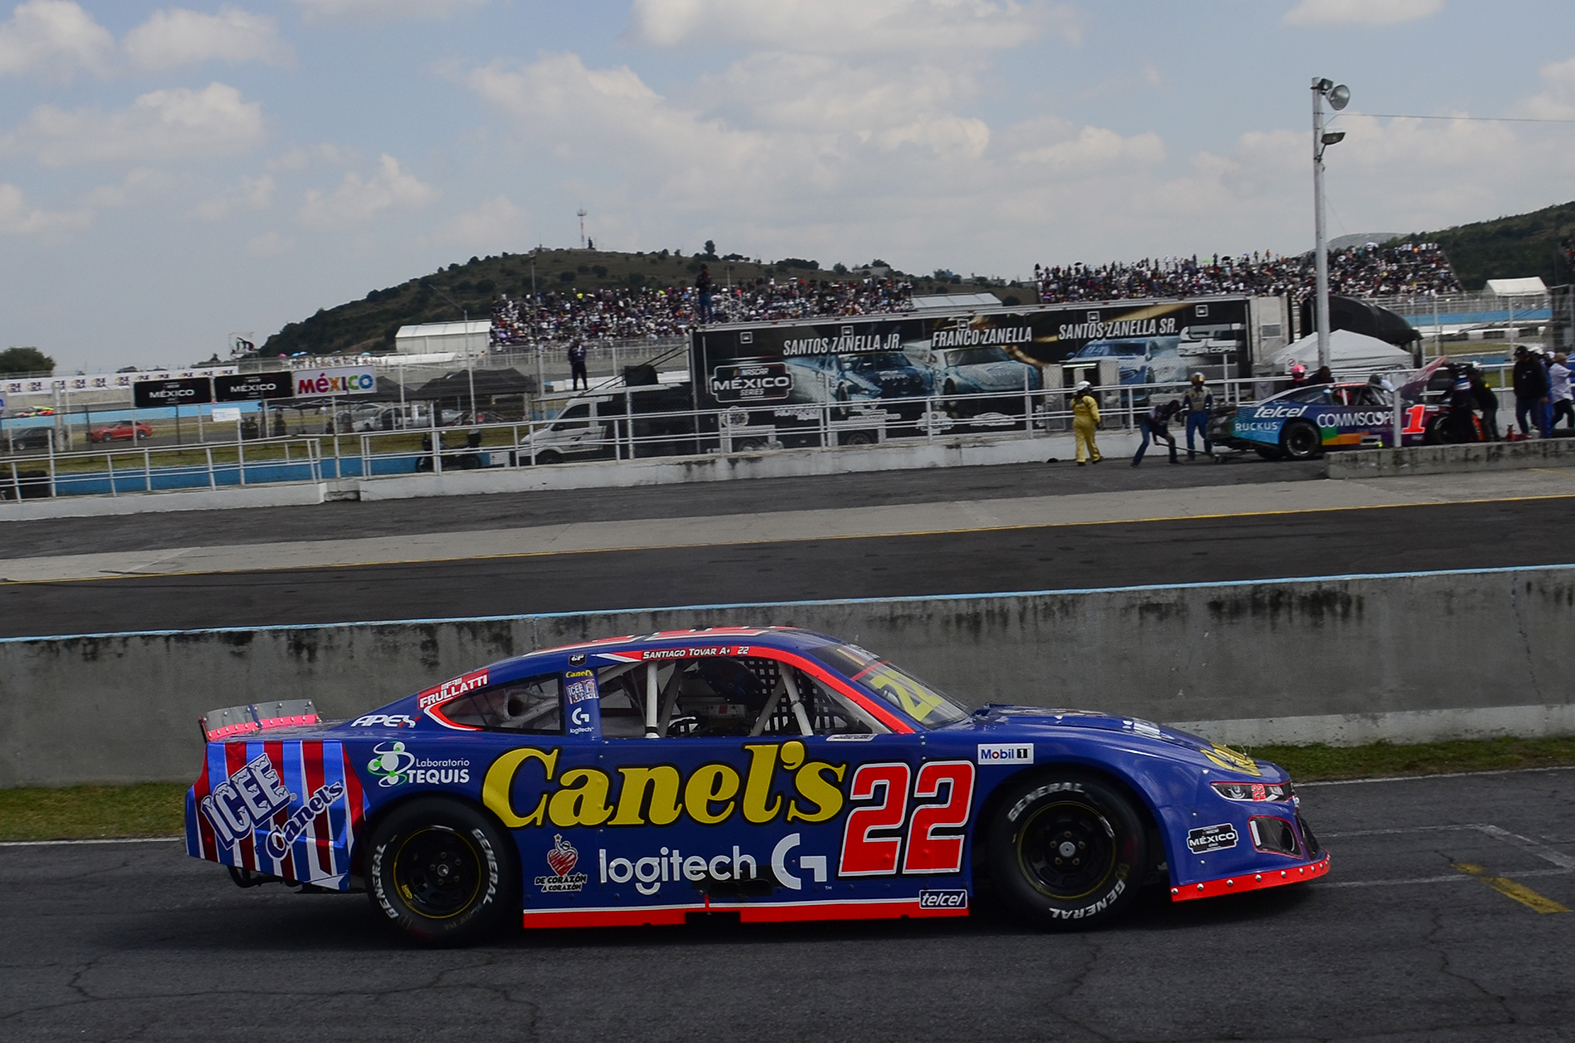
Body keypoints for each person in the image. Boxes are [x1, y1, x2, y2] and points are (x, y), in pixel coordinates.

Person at [1512, 345, 1549, 438]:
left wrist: (1543, 395)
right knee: (1520, 415)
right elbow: (1515, 379)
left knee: (1535, 418)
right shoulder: (1518, 365)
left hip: (1534, 396)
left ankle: (1537, 434)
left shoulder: (1536, 365)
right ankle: (1525, 432)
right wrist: (1517, 391)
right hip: (1522, 396)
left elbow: (1542, 380)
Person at [1132, 399, 1180, 466]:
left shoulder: (1170, 412)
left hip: (1156, 425)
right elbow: (1154, 425)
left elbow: (1164, 423)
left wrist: (1166, 434)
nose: (1174, 412)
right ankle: (1135, 462)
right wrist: (1155, 440)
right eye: (1174, 410)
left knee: (1172, 439)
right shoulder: (1161, 411)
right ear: (1171, 407)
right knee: (1146, 442)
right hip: (1146, 424)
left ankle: (1173, 459)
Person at [1180, 373, 1213, 460]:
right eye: (1196, 382)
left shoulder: (1207, 391)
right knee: (1189, 435)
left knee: (1206, 435)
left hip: (1203, 414)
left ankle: (1209, 451)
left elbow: (1210, 402)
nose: (1198, 384)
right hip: (1192, 414)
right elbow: (1183, 403)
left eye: (1199, 382)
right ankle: (1191, 455)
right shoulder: (1188, 392)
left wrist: (1208, 410)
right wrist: (1184, 411)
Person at [1071, 380, 1101, 465]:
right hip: (1088, 420)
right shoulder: (1089, 399)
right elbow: (1094, 412)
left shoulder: (1074, 400)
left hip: (1077, 420)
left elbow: (1073, 410)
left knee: (1079, 441)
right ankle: (1095, 457)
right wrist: (1097, 420)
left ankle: (1080, 459)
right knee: (1090, 440)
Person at [1468, 365, 1499, 440]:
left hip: (1489, 405)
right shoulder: (1478, 382)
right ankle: (1496, 437)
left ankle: (1489, 438)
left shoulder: (1478, 384)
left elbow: (1473, 395)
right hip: (1490, 404)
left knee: (1485, 422)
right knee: (1492, 421)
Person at [1550, 353, 1574, 433]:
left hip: (1560, 395)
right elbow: (1572, 373)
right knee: (1571, 413)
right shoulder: (1558, 368)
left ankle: (1546, 427)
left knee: (1558, 416)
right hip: (1560, 395)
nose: (1565, 362)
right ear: (1558, 361)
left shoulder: (1557, 368)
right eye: (1563, 360)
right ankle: (1570, 430)